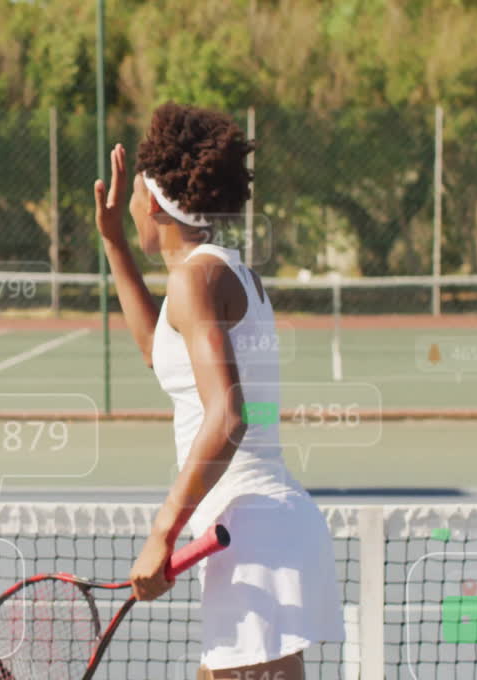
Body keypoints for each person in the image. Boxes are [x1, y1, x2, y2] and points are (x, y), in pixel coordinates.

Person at [95, 103, 344, 679]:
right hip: (255, 531)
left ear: (151, 201)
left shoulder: (194, 280)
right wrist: (113, 243)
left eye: (133, 192)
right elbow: (157, 352)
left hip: (252, 534)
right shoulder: (222, 273)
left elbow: (228, 416)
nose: (128, 203)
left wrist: (162, 532)